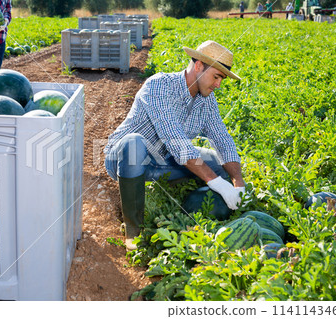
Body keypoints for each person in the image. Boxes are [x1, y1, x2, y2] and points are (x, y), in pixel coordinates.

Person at [104, 40, 246, 250]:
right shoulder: (159, 86)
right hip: (125, 159)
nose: (218, 85)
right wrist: (216, 182)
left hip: (164, 160)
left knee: (218, 163)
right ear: (198, 66)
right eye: (216, 76)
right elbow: (177, 142)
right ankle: (133, 233)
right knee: (134, 143)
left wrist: (238, 182)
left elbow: (222, 139)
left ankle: (182, 210)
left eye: (222, 79)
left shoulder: (206, 101)